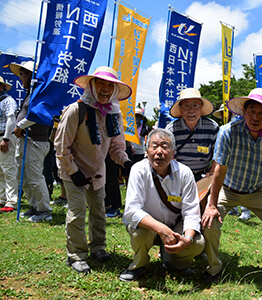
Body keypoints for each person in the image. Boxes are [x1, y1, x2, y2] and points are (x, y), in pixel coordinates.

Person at [201, 88, 262, 281]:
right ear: (244, 111)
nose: (255, 117)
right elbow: (219, 171)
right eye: (251, 111)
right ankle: (213, 268)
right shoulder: (228, 132)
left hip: (257, 190)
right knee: (210, 222)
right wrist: (212, 205)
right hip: (228, 188)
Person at [54, 66, 133, 274]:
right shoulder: (76, 110)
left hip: (98, 171)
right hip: (74, 171)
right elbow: (62, 146)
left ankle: (98, 247)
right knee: (77, 211)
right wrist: (73, 171)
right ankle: (77, 255)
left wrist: (125, 163)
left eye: (110, 85)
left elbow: (116, 146)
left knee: (99, 211)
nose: (105, 89)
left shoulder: (114, 114)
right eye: (101, 83)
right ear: (92, 85)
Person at [120, 128, 205, 282]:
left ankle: (175, 263)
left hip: (174, 226)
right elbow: (132, 211)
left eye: (165, 147)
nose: (159, 152)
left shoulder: (185, 173)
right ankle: (139, 266)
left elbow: (191, 212)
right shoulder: (138, 170)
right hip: (148, 227)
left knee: (197, 242)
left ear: (173, 154)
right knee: (141, 234)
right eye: (154, 146)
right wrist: (161, 229)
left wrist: (187, 239)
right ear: (147, 151)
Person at [10, 60, 53, 222]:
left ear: (31, 75)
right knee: (25, 177)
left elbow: (36, 115)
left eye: (22, 74)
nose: (20, 78)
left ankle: (45, 211)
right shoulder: (30, 93)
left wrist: (19, 126)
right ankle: (34, 206)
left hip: (36, 141)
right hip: (25, 140)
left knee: (35, 177)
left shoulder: (39, 93)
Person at [166, 88, 219, 182]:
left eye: (196, 106)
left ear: (201, 108)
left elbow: (218, 154)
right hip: (179, 175)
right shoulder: (171, 129)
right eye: (186, 106)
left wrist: (212, 171)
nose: (191, 110)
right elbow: (171, 158)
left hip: (204, 176)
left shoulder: (212, 127)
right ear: (180, 109)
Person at [213, 104, 251, 221]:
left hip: (241, 159)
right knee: (229, 184)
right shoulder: (224, 127)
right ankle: (233, 210)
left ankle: (245, 211)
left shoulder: (237, 125)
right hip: (227, 160)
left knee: (243, 184)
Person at [0, 76, 19, 213]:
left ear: (2, 86)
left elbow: (11, 120)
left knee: (9, 169)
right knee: (1, 170)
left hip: (5, 137)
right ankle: (2, 198)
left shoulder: (8, 101)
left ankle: (11, 200)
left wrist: (6, 138)